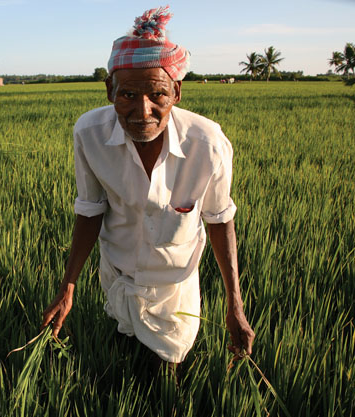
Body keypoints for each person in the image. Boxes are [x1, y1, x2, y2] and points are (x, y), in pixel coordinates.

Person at [41, 6, 254, 369]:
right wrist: (68, 287)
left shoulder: (207, 144)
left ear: (177, 92)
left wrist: (235, 304)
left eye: (157, 94)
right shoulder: (88, 134)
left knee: (166, 369)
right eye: (127, 95)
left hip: (174, 285)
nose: (142, 110)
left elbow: (219, 219)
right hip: (119, 273)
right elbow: (90, 209)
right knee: (122, 355)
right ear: (110, 90)